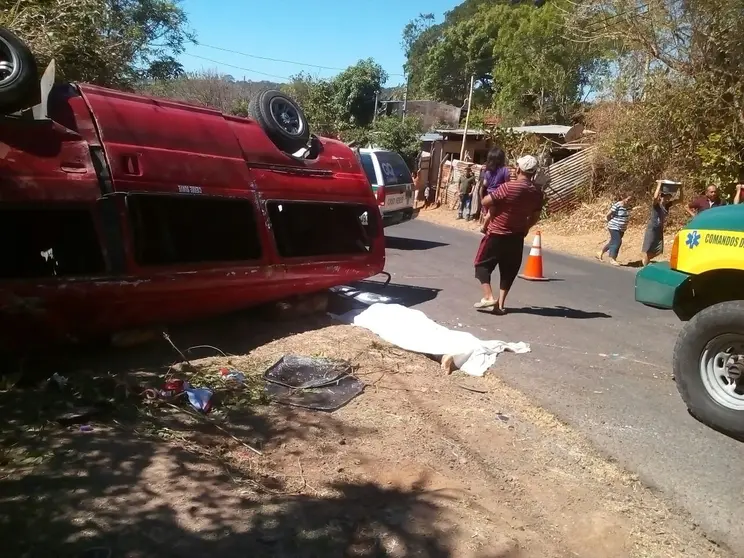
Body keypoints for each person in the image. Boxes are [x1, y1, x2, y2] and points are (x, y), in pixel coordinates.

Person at [473, 154, 544, 314]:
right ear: (533, 173)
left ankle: (489, 297)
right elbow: (535, 216)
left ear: (518, 169)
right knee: (509, 270)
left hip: (497, 233)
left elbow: (485, 202)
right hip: (517, 236)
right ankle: (501, 305)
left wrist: (484, 193)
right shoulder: (536, 193)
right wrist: (526, 227)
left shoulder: (508, 187)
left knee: (481, 265)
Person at [642, 181, 680, 266]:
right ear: (661, 197)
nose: (666, 199)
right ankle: (645, 265)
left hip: (659, 229)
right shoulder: (656, 205)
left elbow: (680, 200)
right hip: (652, 228)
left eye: (668, 198)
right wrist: (659, 184)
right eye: (665, 197)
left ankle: (646, 261)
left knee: (658, 250)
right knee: (648, 249)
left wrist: (680, 187)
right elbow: (655, 197)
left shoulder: (667, 206)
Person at [479, 147, 511, 232]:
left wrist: (483, 197)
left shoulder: (487, 171)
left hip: (488, 195)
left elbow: (484, 184)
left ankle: (489, 227)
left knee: (490, 212)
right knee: (492, 212)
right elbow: (508, 183)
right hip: (499, 194)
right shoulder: (505, 170)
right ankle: (484, 227)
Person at [597, 192, 632, 266]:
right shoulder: (617, 205)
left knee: (612, 242)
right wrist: (609, 221)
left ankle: (600, 252)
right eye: (627, 199)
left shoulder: (629, 207)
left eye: (630, 200)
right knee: (617, 241)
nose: (628, 201)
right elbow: (608, 215)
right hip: (614, 226)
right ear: (623, 198)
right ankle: (612, 259)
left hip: (622, 228)